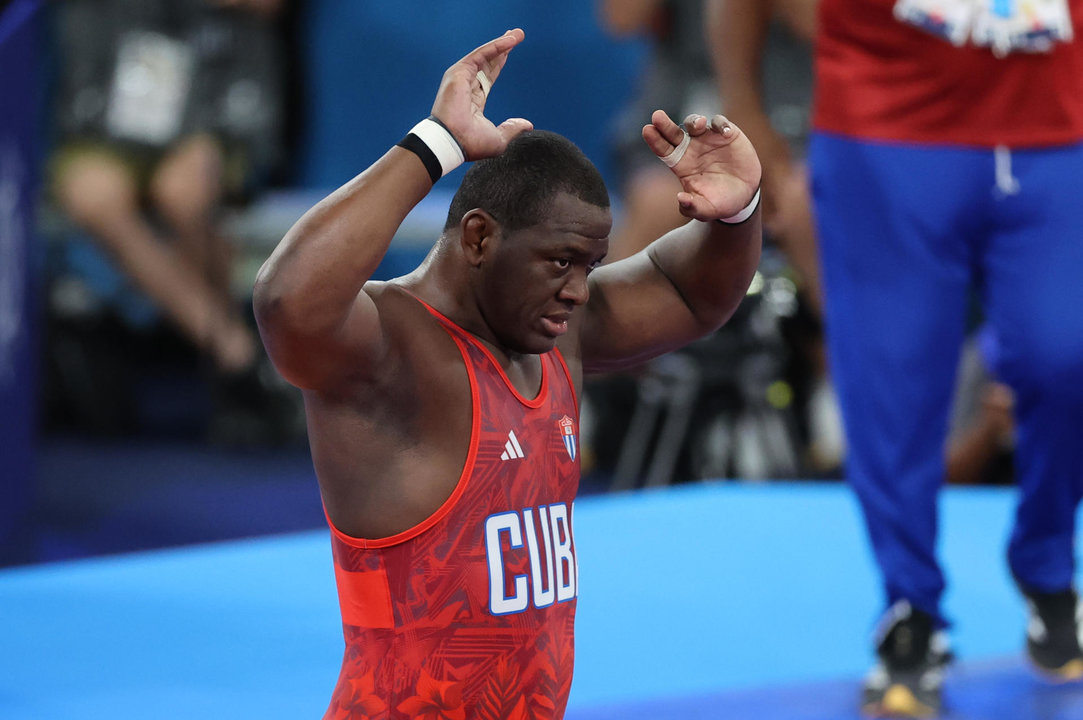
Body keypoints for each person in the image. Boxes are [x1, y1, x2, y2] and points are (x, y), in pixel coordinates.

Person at [252, 28, 761, 719]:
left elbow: (690, 295)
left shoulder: (554, 337)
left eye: (589, 266)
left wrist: (737, 214)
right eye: (561, 261)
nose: (579, 290)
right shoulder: (392, 351)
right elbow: (289, 303)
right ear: (479, 238)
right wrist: (434, 143)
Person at [711, 0, 1083, 716]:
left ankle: (1044, 562)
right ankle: (910, 608)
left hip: (1052, 128)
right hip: (884, 129)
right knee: (893, 384)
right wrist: (742, 106)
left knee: (1065, 358)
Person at [48, 0, 289, 439]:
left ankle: (236, 366)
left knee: (185, 192)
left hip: (208, 103)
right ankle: (236, 354)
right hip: (103, 112)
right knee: (92, 194)